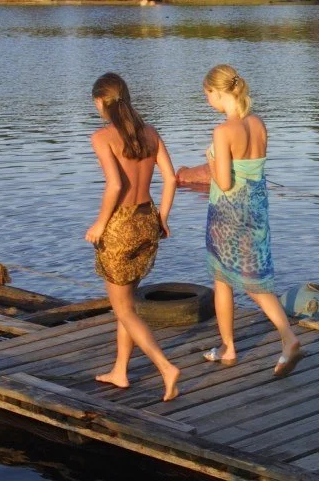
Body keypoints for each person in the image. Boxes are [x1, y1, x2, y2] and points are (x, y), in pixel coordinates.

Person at [201, 64, 304, 377]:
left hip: (228, 212)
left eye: (207, 95)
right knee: (250, 278)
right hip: (256, 209)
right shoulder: (259, 123)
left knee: (227, 278)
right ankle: (251, 343)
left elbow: (224, 182)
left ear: (218, 92)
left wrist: (210, 159)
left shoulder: (222, 131)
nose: (207, 101)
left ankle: (258, 343)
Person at [86, 72, 180, 401]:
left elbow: (115, 185)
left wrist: (100, 224)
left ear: (101, 101)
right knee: (127, 303)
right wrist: (162, 217)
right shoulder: (150, 133)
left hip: (120, 226)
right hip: (146, 221)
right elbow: (171, 178)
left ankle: (166, 368)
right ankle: (120, 371)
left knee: (123, 309)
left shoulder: (102, 138)